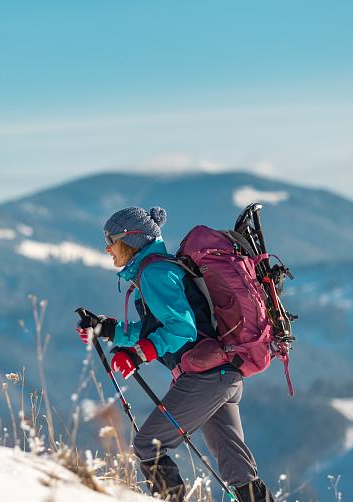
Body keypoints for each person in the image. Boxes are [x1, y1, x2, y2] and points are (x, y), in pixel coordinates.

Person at [77, 206, 274, 502]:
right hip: (221, 374)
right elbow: (155, 326)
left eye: (111, 238)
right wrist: (107, 329)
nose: (107, 247)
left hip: (205, 378)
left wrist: (138, 355)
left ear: (132, 239)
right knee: (238, 470)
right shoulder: (158, 268)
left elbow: (183, 328)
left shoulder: (155, 272)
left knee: (148, 446)